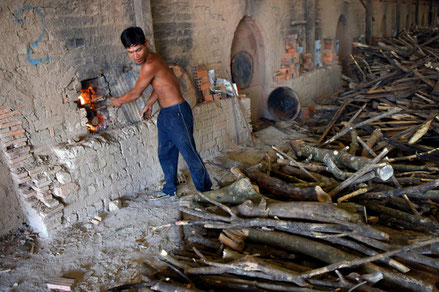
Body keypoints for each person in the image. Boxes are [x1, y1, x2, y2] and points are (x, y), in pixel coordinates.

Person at [110, 27, 212, 198]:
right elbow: (161, 85)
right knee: (165, 152)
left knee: (189, 153)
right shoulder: (153, 59)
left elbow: (135, 93)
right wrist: (150, 104)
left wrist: (118, 101)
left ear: (146, 44)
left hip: (177, 112)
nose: (136, 56)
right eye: (130, 52)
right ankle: (170, 188)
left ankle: (207, 192)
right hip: (166, 114)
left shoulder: (150, 64)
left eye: (139, 49)